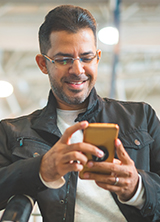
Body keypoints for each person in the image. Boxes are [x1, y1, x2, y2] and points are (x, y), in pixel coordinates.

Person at [0, 4, 160, 222]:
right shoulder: (13, 132)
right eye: (64, 59)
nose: (77, 70)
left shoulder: (141, 117)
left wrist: (138, 188)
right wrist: (41, 169)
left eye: (86, 57)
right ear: (42, 64)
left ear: (98, 57)